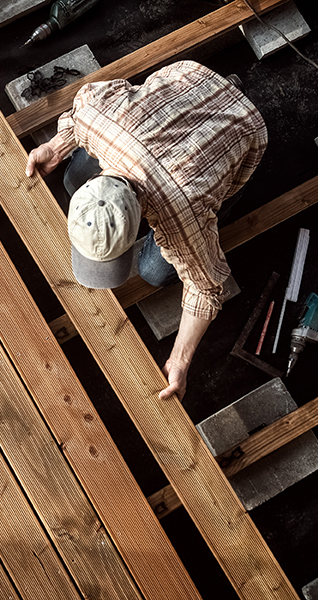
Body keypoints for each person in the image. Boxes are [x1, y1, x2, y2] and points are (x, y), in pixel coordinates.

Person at [26, 60, 267, 400]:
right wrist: (56, 146)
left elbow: (206, 288)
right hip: (188, 79)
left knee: (154, 271)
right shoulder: (97, 119)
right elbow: (83, 112)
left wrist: (180, 361)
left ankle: (224, 192)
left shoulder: (182, 213)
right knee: (70, 177)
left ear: (140, 213)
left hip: (242, 127)